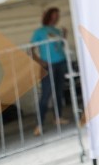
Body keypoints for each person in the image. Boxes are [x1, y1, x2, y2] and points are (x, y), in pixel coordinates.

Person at [30, 7, 70, 136]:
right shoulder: (39, 32)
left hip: (60, 62)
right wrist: (39, 61)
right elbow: (30, 49)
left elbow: (59, 46)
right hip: (48, 65)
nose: (56, 18)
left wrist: (64, 36)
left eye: (57, 16)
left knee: (58, 92)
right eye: (54, 15)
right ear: (48, 16)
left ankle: (58, 117)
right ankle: (39, 124)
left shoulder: (56, 30)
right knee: (46, 94)